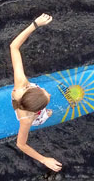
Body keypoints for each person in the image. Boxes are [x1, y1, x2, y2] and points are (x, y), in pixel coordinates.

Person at [10, 13, 63, 172]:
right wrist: (44, 159)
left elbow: (13, 47)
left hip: (20, 100)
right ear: (36, 111)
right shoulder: (27, 119)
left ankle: (45, 111)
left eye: (43, 91)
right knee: (44, 117)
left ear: (31, 89)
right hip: (30, 116)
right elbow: (20, 144)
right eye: (47, 96)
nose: (49, 93)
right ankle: (45, 115)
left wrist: (35, 24)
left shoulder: (21, 83)